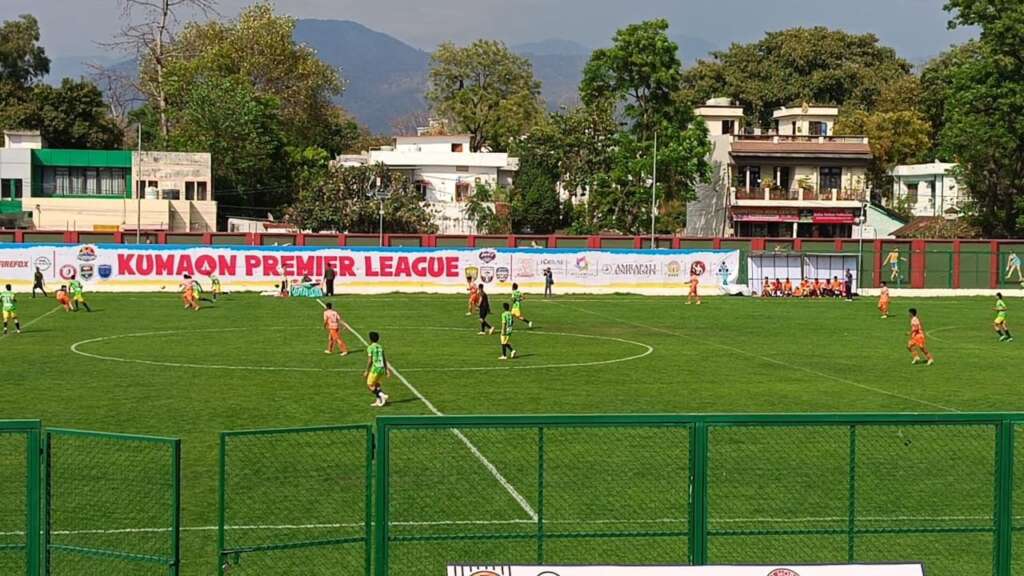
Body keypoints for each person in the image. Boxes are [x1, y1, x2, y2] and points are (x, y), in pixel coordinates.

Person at [364, 331, 391, 407]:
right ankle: (378, 400)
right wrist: (386, 369)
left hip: (376, 368)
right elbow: (384, 358)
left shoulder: (370, 347)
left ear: (370, 339)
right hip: (382, 368)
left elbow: (370, 360)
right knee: (376, 383)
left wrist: (366, 370)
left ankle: (382, 395)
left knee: (369, 384)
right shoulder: (380, 347)